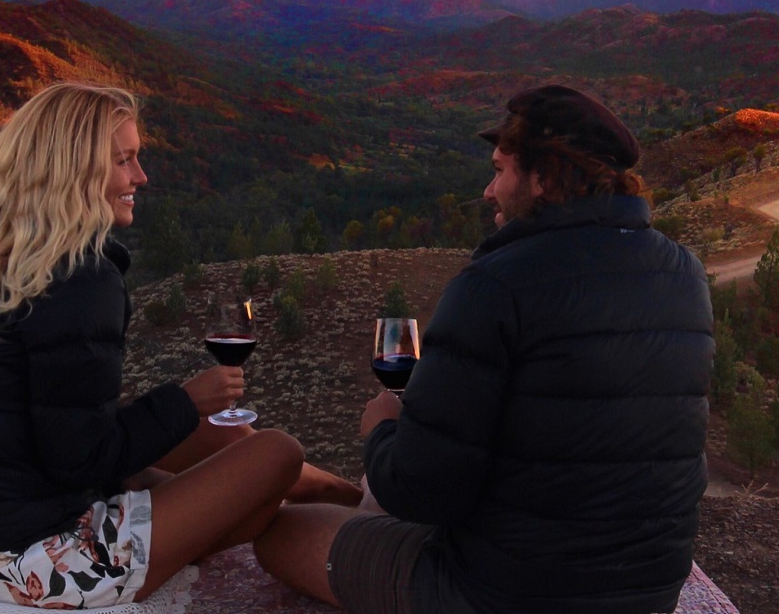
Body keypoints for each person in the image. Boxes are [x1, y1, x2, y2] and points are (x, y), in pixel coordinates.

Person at [254, 85, 715, 614]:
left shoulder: (497, 285)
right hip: (648, 594)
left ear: (543, 177)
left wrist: (381, 428)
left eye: (500, 170)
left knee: (283, 534)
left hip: (501, 594)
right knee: (372, 496)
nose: (488, 191)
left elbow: (425, 492)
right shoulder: (686, 275)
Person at [0, 83, 354, 609]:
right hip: (40, 564)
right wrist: (186, 401)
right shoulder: (79, 280)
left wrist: (183, 422)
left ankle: (341, 494)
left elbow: (52, 431)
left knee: (217, 435)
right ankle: (343, 506)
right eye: (124, 161)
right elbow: (82, 460)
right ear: (73, 171)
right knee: (276, 453)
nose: (140, 177)